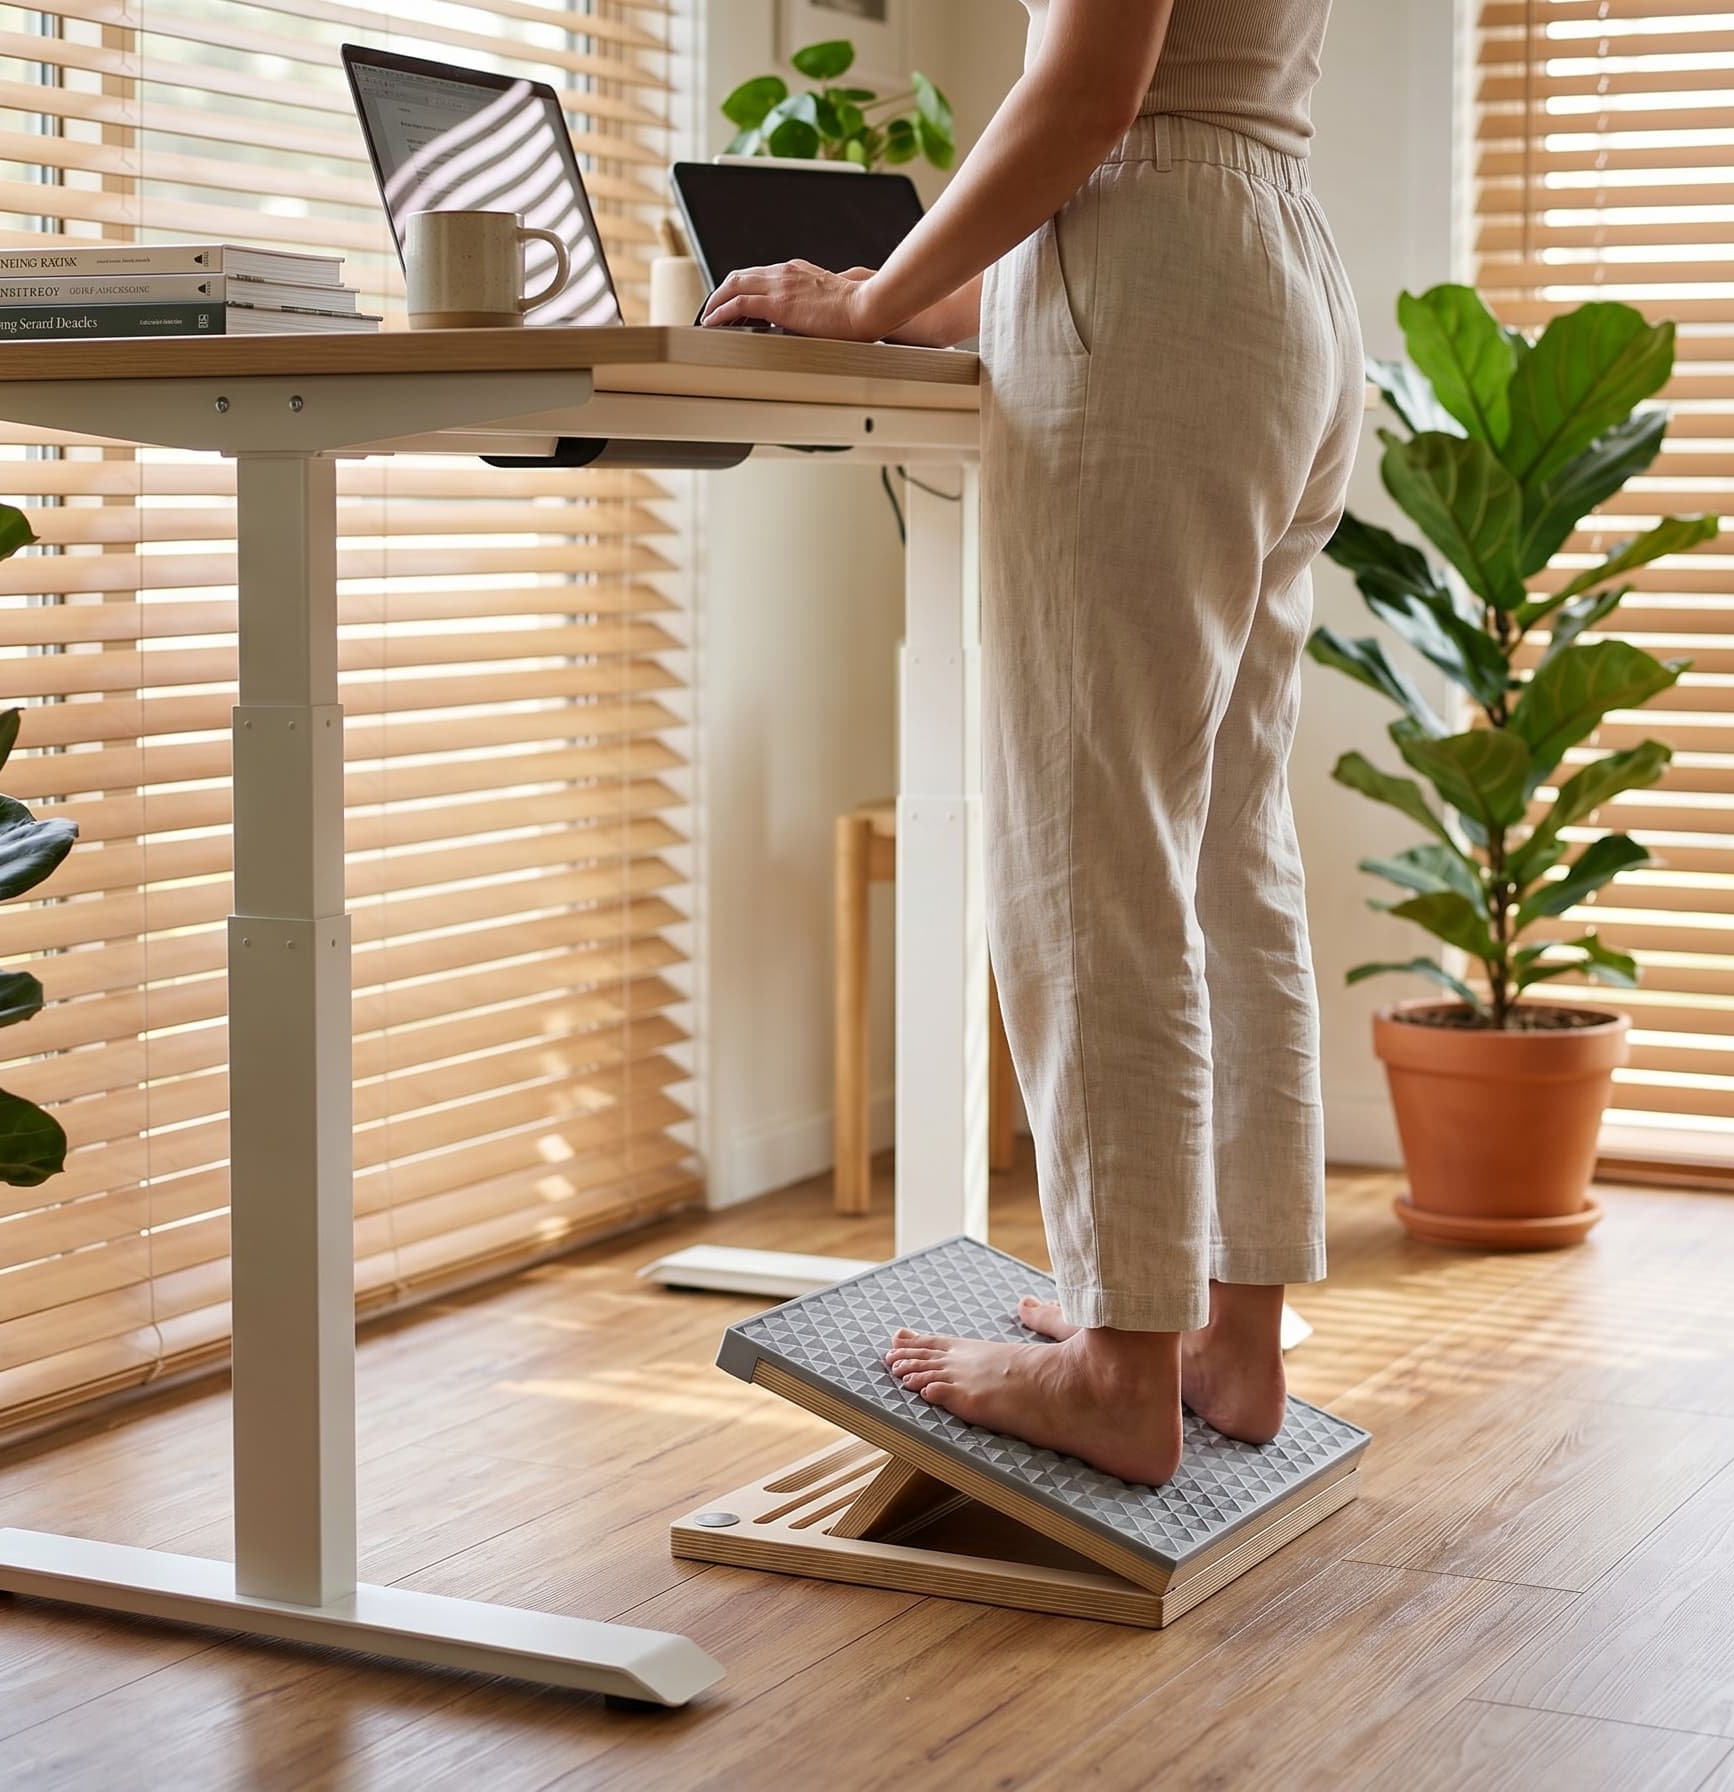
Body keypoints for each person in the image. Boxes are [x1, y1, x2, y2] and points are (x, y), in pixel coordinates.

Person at [702, 0, 1359, 1486]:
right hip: (1277, 275)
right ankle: (1226, 1341)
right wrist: (926, 295)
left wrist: (867, 310)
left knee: (1093, 844)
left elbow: (1088, 94)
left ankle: (1119, 1366)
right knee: (1220, 851)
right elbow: (1177, 116)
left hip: (1160, 286)